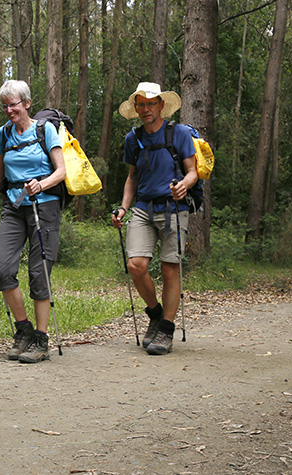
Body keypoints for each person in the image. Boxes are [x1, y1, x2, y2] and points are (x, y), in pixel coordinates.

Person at [0, 80, 66, 364]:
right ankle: (23, 331)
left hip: (45, 206)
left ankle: (41, 340)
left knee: (39, 275)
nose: (8, 110)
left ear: (27, 103)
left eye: (13, 104)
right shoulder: (3, 134)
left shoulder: (46, 130)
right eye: (4, 105)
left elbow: (61, 171)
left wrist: (41, 185)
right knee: (3, 270)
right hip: (13, 209)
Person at [111, 82, 198, 355]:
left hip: (175, 208)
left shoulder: (180, 133)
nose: (146, 109)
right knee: (136, 265)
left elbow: (193, 171)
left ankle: (166, 331)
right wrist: (124, 208)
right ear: (136, 108)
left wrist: (185, 184)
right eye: (141, 104)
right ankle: (156, 315)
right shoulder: (133, 139)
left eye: (151, 104)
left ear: (161, 105)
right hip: (143, 208)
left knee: (170, 268)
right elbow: (132, 177)